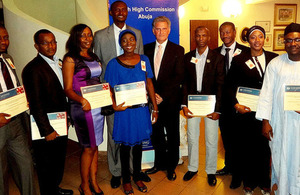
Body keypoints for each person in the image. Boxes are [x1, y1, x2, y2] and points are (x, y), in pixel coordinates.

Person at [93, 1, 147, 188]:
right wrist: (106, 98)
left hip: (135, 96)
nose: (121, 12)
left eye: (124, 9)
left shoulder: (136, 34)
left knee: (134, 135)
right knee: (114, 134)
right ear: (111, 12)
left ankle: (134, 171)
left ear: (127, 12)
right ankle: (117, 171)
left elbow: (141, 67)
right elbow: (99, 66)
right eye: (117, 9)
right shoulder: (100, 36)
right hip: (113, 94)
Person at [225, 26, 278, 194]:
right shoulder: (240, 59)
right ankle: (249, 181)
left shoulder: (274, 58)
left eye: (260, 37)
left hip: (268, 112)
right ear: (247, 40)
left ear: (265, 39)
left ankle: (264, 180)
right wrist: (235, 104)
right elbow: (229, 85)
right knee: (247, 147)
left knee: (264, 147)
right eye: (253, 37)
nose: (257, 40)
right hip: (246, 111)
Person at [105, 29, 158, 195]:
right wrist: (113, 105)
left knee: (138, 147)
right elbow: (109, 88)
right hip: (125, 112)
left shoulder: (144, 60)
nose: (129, 43)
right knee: (125, 147)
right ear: (121, 44)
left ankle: (137, 177)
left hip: (141, 111)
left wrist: (155, 107)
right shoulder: (114, 63)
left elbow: (149, 84)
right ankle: (126, 180)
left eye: (132, 40)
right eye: (125, 40)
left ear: (136, 42)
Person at [22, 29, 73, 195]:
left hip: (60, 120)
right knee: (46, 164)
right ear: (37, 46)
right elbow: (36, 104)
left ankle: (55, 188)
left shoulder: (58, 62)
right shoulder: (33, 69)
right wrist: (47, 130)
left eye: (53, 42)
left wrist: (68, 116)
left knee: (58, 160)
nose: (51, 46)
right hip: (47, 127)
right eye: (45, 43)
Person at [256, 22, 300, 195]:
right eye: (289, 40)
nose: (293, 43)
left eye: (297, 39)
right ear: (284, 42)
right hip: (280, 123)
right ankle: (281, 189)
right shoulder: (275, 64)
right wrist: (265, 122)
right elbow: (266, 94)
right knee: (281, 158)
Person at [62, 24, 104, 195]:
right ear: (76, 38)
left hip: (97, 106)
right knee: (88, 148)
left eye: (89, 35)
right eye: (83, 35)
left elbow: (97, 81)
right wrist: (81, 99)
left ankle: (94, 181)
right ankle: (84, 185)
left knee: (94, 146)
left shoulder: (93, 56)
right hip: (82, 108)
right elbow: (68, 88)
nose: (87, 38)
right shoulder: (70, 59)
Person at [182, 26, 224, 186]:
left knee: (212, 139)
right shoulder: (187, 58)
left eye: (204, 35)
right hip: (193, 103)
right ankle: (192, 168)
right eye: (198, 35)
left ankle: (211, 171)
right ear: (195, 37)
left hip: (211, 105)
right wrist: (184, 104)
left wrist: (218, 109)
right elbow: (184, 83)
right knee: (192, 137)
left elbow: (220, 85)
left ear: (209, 38)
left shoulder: (218, 58)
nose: (200, 38)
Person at [144, 16, 184, 181]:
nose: (160, 32)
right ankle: (159, 163)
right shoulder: (146, 49)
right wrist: (153, 97)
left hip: (170, 101)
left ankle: (171, 166)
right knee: (156, 134)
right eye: (157, 29)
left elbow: (178, 77)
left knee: (173, 135)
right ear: (153, 31)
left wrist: (163, 96)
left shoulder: (178, 50)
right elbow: (145, 76)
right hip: (153, 102)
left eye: (164, 29)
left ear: (169, 30)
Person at [0, 25, 35, 195]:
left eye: (6, 37)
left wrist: (23, 100)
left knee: (26, 164)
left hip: (16, 123)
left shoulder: (8, 58)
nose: (3, 42)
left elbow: (14, 86)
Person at [214, 22, 249, 176]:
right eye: (222, 32)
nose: (225, 35)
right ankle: (228, 166)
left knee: (241, 137)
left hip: (241, 101)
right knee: (226, 136)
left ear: (234, 32)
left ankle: (240, 168)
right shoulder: (215, 53)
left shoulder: (246, 51)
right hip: (223, 102)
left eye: (228, 32)